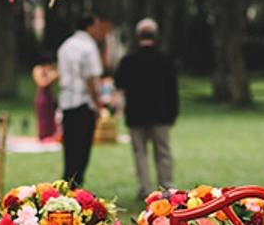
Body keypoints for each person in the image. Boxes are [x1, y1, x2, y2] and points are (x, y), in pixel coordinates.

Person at [114, 18, 179, 199]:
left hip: (136, 113)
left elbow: (119, 83)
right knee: (163, 151)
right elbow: (172, 89)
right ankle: (166, 187)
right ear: (156, 36)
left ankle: (145, 188)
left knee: (140, 152)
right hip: (160, 113)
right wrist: (173, 113)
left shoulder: (128, 60)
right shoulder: (165, 60)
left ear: (137, 36)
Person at [57, 14, 110, 187]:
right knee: (83, 145)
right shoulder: (88, 47)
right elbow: (91, 78)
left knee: (70, 144)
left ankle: (68, 178)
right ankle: (77, 180)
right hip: (83, 102)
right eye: (96, 26)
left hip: (67, 101)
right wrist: (97, 102)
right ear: (88, 27)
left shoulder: (65, 46)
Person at [32, 54, 61, 143]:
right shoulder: (38, 70)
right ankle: (43, 135)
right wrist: (52, 76)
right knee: (43, 118)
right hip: (42, 97)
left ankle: (50, 135)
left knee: (51, 117)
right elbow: (41, 83)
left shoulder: (50, 71)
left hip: (50, 96)